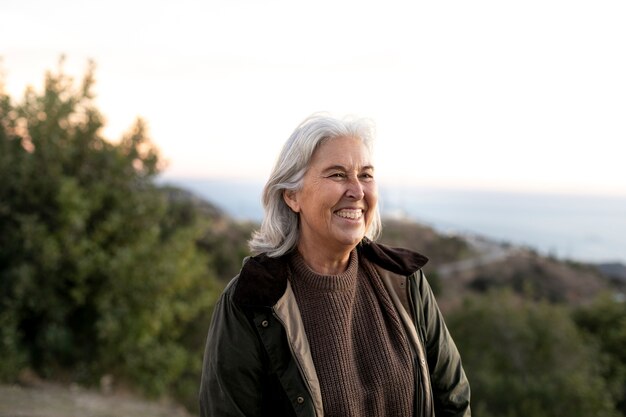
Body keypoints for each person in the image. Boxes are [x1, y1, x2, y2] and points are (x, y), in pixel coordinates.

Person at [199, 113, 471, 417]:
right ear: (292, 195)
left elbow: (453, 400)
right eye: (338, 175)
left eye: (366, 175)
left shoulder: (406, 281)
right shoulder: (251, 302)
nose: (357, 191)